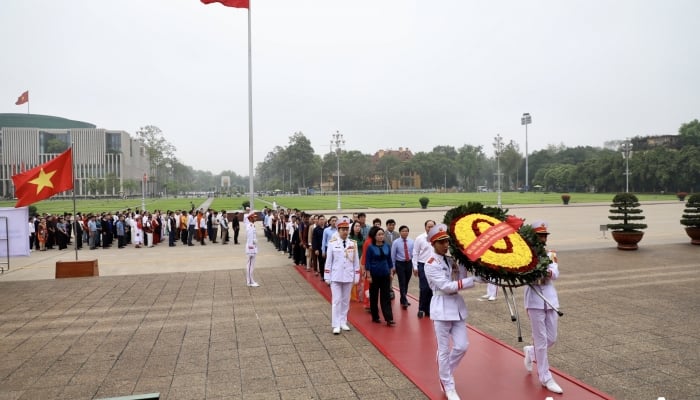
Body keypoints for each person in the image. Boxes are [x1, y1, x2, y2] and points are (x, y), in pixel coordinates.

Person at [424, 223, 480, 400]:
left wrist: (474, 267)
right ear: (433, 244)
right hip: (441, 306)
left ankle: (445, 372)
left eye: (447, 241)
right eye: (442, 242)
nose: (446, 245)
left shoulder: (450, 260)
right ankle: (448, 385)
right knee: (443, 350)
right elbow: (447, 286)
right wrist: (473, 280)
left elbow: (460, 279)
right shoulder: (430, 263)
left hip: (456, 307)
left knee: (463, 346)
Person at [523, 220, 563, 394]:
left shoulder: (550, 253)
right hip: (534, 299)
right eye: (540, 235)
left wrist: (546, 271)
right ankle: (545, 377)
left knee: (551, 338)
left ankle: (530, 352)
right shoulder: (524, 255)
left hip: (550, 298)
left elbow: (555, 273)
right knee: (540, 340)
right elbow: (523, 275)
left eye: (544, 235)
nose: (543, 238)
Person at [324, 217, 360, 334]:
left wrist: (356, 275)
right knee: (336, 300)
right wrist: (327, 276)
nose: (345, 231)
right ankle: (336, 324)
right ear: (338, 230)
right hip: (336, 276)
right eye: (342, 229)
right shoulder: (332, 243)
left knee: (345, 300)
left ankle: (343, 321)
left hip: (348, 276)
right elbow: (329, 261)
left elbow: (356, 262)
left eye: (346, 229)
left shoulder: (352, 244)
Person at [364, 226, 395, 326]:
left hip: (385, 274)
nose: (381, 236)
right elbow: (367, 262)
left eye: (382, 234)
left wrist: (391, 272)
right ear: (374, 236)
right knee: (374, 296)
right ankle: (375, 316)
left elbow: (389, 260)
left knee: (386, 297)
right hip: (374, 274)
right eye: (379, 235)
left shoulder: (386, 246)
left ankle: (389, 318)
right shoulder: (370, 247)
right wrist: (368, 275)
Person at [413, 219, 436, 318]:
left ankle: (430, 309)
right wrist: (415, 266)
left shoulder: (438, 238)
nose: (430, 228)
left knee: (433, 288)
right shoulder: (420, 238)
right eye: (428, 227)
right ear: (425, 227)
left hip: (435, 266)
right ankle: (421, 308)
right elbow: (415, 252)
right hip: (422, 265)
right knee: (424, 288)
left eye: (432, 227)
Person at [391, 225, 413, 309]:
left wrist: (414, 266)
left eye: (406, 231)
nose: (405, 232)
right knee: (402, 282)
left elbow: (413, 254)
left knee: (407, 282)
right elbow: (393, 255)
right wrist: (393, 266)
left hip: (409, 263)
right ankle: (404, 301)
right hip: (400, 264)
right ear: (400, 232)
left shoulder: (411, 242)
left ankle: (403, 298)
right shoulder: (396, 242)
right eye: (403, 231)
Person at [245, 210, 260, 287]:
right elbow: (250, 238)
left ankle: (250, 280)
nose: (255, 218)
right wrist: (251, 248)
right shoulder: (250, 226)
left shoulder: (252, 225)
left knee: (250, 264)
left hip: (252, 247)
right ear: (250, 218)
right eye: (254, 217)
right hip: (251, 247)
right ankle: (250, 281)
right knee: (250, 264)